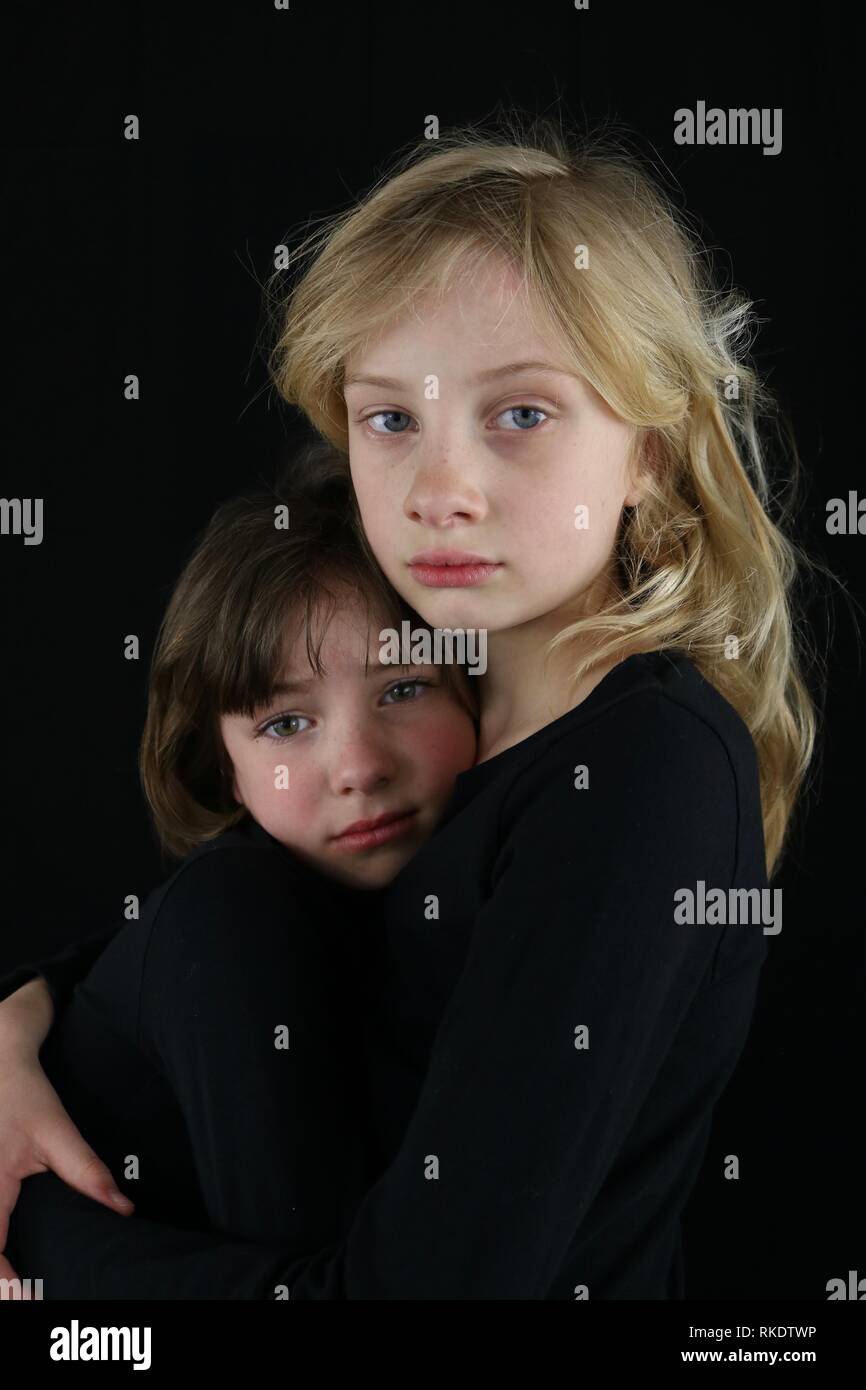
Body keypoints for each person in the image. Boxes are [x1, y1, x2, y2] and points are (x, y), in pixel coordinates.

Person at [0, 115, 817, 1299]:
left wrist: (40, 1232)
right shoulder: (444, 688)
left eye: (519, 414)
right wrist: (20, 1017)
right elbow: (230, 915)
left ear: (652, 444)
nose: (439, 491)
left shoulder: (641, 765)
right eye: (391, 419)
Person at [0, 458, 478, 1295]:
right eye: (286, 723)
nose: (358, 767)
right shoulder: (234, 914)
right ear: (224, 770)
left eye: (404, 687)